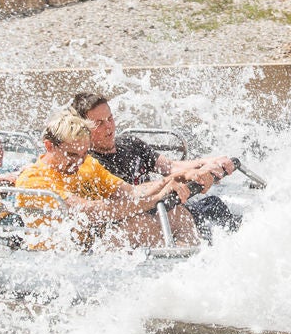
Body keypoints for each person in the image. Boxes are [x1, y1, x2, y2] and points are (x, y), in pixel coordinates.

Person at [12, 110, 200, 249]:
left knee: (177, 213)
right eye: (72, 155)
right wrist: (155, 199)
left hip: (94, 240)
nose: (78, 162)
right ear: (49, 146)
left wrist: (170, 181)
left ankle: (183, 269)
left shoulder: (87, 164)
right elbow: (90, 212)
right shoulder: (34, 179)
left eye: (84, 154)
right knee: (142, 224)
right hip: (64, 252)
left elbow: (131, 192)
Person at [70, 91, 243, 234]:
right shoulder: (91, 164)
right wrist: (183, 177)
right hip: (150, 222)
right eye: (99, 123)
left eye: (110, 118)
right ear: (84, 129)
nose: (109, 127)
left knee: (214, 205)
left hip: (169, 209)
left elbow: (170, 166)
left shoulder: (129, 143)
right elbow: (131, 194)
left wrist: (210, 162)